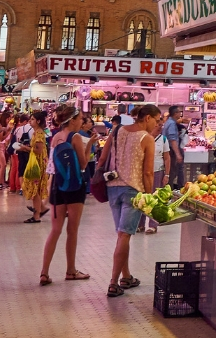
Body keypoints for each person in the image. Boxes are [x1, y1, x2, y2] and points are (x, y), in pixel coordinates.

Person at [98, 105, 160, 297]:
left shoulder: (117, 131)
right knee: (124, 236)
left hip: (113, 188)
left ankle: (126, 276)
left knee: (121, 236)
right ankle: (113, 282)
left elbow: (102, 158)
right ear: (147, 118)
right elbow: (148, 172)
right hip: (133, 191)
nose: (158, 124)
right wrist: (149, 196)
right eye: (157, 120)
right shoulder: (147, 138)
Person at [38, 106, 98, 286]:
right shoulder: (76, 137)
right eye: (80, 118)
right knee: (72, 231)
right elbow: (83, 164)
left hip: (58, 186)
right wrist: (90, 146)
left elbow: (53, 163)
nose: (81, 122)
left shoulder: (55, 137)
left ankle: (44, 272)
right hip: (75, 187)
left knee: (55, 230)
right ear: (72, 120)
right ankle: (71, 271)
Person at [138, 120, 170, 234]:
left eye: (162, 125)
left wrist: (166, 174)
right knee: (142, 197)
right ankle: (140, 224)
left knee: (155, 198)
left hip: (157, 172)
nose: (160, 127)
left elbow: (166, 157)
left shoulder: (163, 139)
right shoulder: (143, 137)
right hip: (143, 172)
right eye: (158, 125)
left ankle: (153, 225)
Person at [22, 111, 50, 223]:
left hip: (37, 164)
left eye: (32, 119)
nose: (30, 121)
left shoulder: (38, 134)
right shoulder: (36, 132)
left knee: (34, 188)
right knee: (35, 188)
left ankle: (37, 215)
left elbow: (38, 150)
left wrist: (25, 148)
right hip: (36, 163)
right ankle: (41, 209)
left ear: (38, 121)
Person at [163, 106, 184, 189]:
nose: (180, 114)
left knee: (171, 171)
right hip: (171, 151)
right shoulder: (171, 123)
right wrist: (178, 154)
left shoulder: (169, 122)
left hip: (168, 149)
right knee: (172, 172)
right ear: (175, 114)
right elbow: (172, 140)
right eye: (179, 112)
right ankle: (169, 191)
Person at [0, 111, 12, 190]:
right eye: (8, 119)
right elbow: (1, 138)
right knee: (3, 164)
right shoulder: (0, 126)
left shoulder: (3, 126)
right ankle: (1, 182)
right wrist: (9, 132)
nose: (9, 120)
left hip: (1, 146)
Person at [8, 114, 28, 193]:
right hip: (20, 150)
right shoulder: (24, 129)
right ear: (25, 121)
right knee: (19, 169)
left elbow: (11, 139)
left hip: (13, 149)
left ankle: (12, 186)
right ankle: (18, 186)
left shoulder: (15, 128)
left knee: (13, 168)